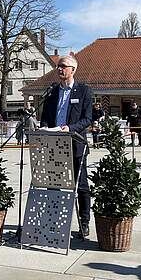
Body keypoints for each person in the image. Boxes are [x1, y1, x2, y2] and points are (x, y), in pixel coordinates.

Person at [40, 55, 92, 237]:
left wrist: (69, 128)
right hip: (55, 146)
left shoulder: (84, 91)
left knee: (82, 186)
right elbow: (45, 116)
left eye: (63, 66)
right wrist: (44, 128)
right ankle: (53, 221)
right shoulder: (52, 92)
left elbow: (87, 119)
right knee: (53, 186)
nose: (59, 69)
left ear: (73, 70)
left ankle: (84, 222)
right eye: (58, 66)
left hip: (76, 144)